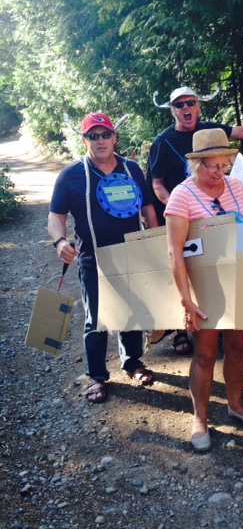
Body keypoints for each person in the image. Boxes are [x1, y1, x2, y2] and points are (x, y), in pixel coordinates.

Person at [147, 86, 243, 355]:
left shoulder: (211, 133)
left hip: (219, 214)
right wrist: (179, 206)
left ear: (198, 106)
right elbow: (157, 184)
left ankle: (231, 319)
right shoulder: (163, 142)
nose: (186, 108)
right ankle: (180, 326)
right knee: (188, 271)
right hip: (186, 215)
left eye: (191, 103)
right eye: (180, 105)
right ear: (173, 110)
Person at [165, 128, 243, 452]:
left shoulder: (238, 187)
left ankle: (235, 404)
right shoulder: (182, 195)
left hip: (239, 282)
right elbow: (175, 251)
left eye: (225, 165)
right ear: (197, 164)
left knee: (237, 348)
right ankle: (200, 419)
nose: (220, 173)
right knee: (205, 354)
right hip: (204, 287)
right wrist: (185, 300)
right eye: (213, 166)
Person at [48, 112, 158, 403]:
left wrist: (155, 238)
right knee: (96, 319)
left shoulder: (132, 168)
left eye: (105, 134)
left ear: (114, 137)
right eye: (93, 136)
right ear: (84, 140)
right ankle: (97, 375)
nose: (100, 141)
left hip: (133, 255)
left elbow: (147, 207)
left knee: (132, 311)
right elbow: (55, 216)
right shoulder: (71, 175)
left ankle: (132, 362)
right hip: (93, 259)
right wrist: (60, 241)